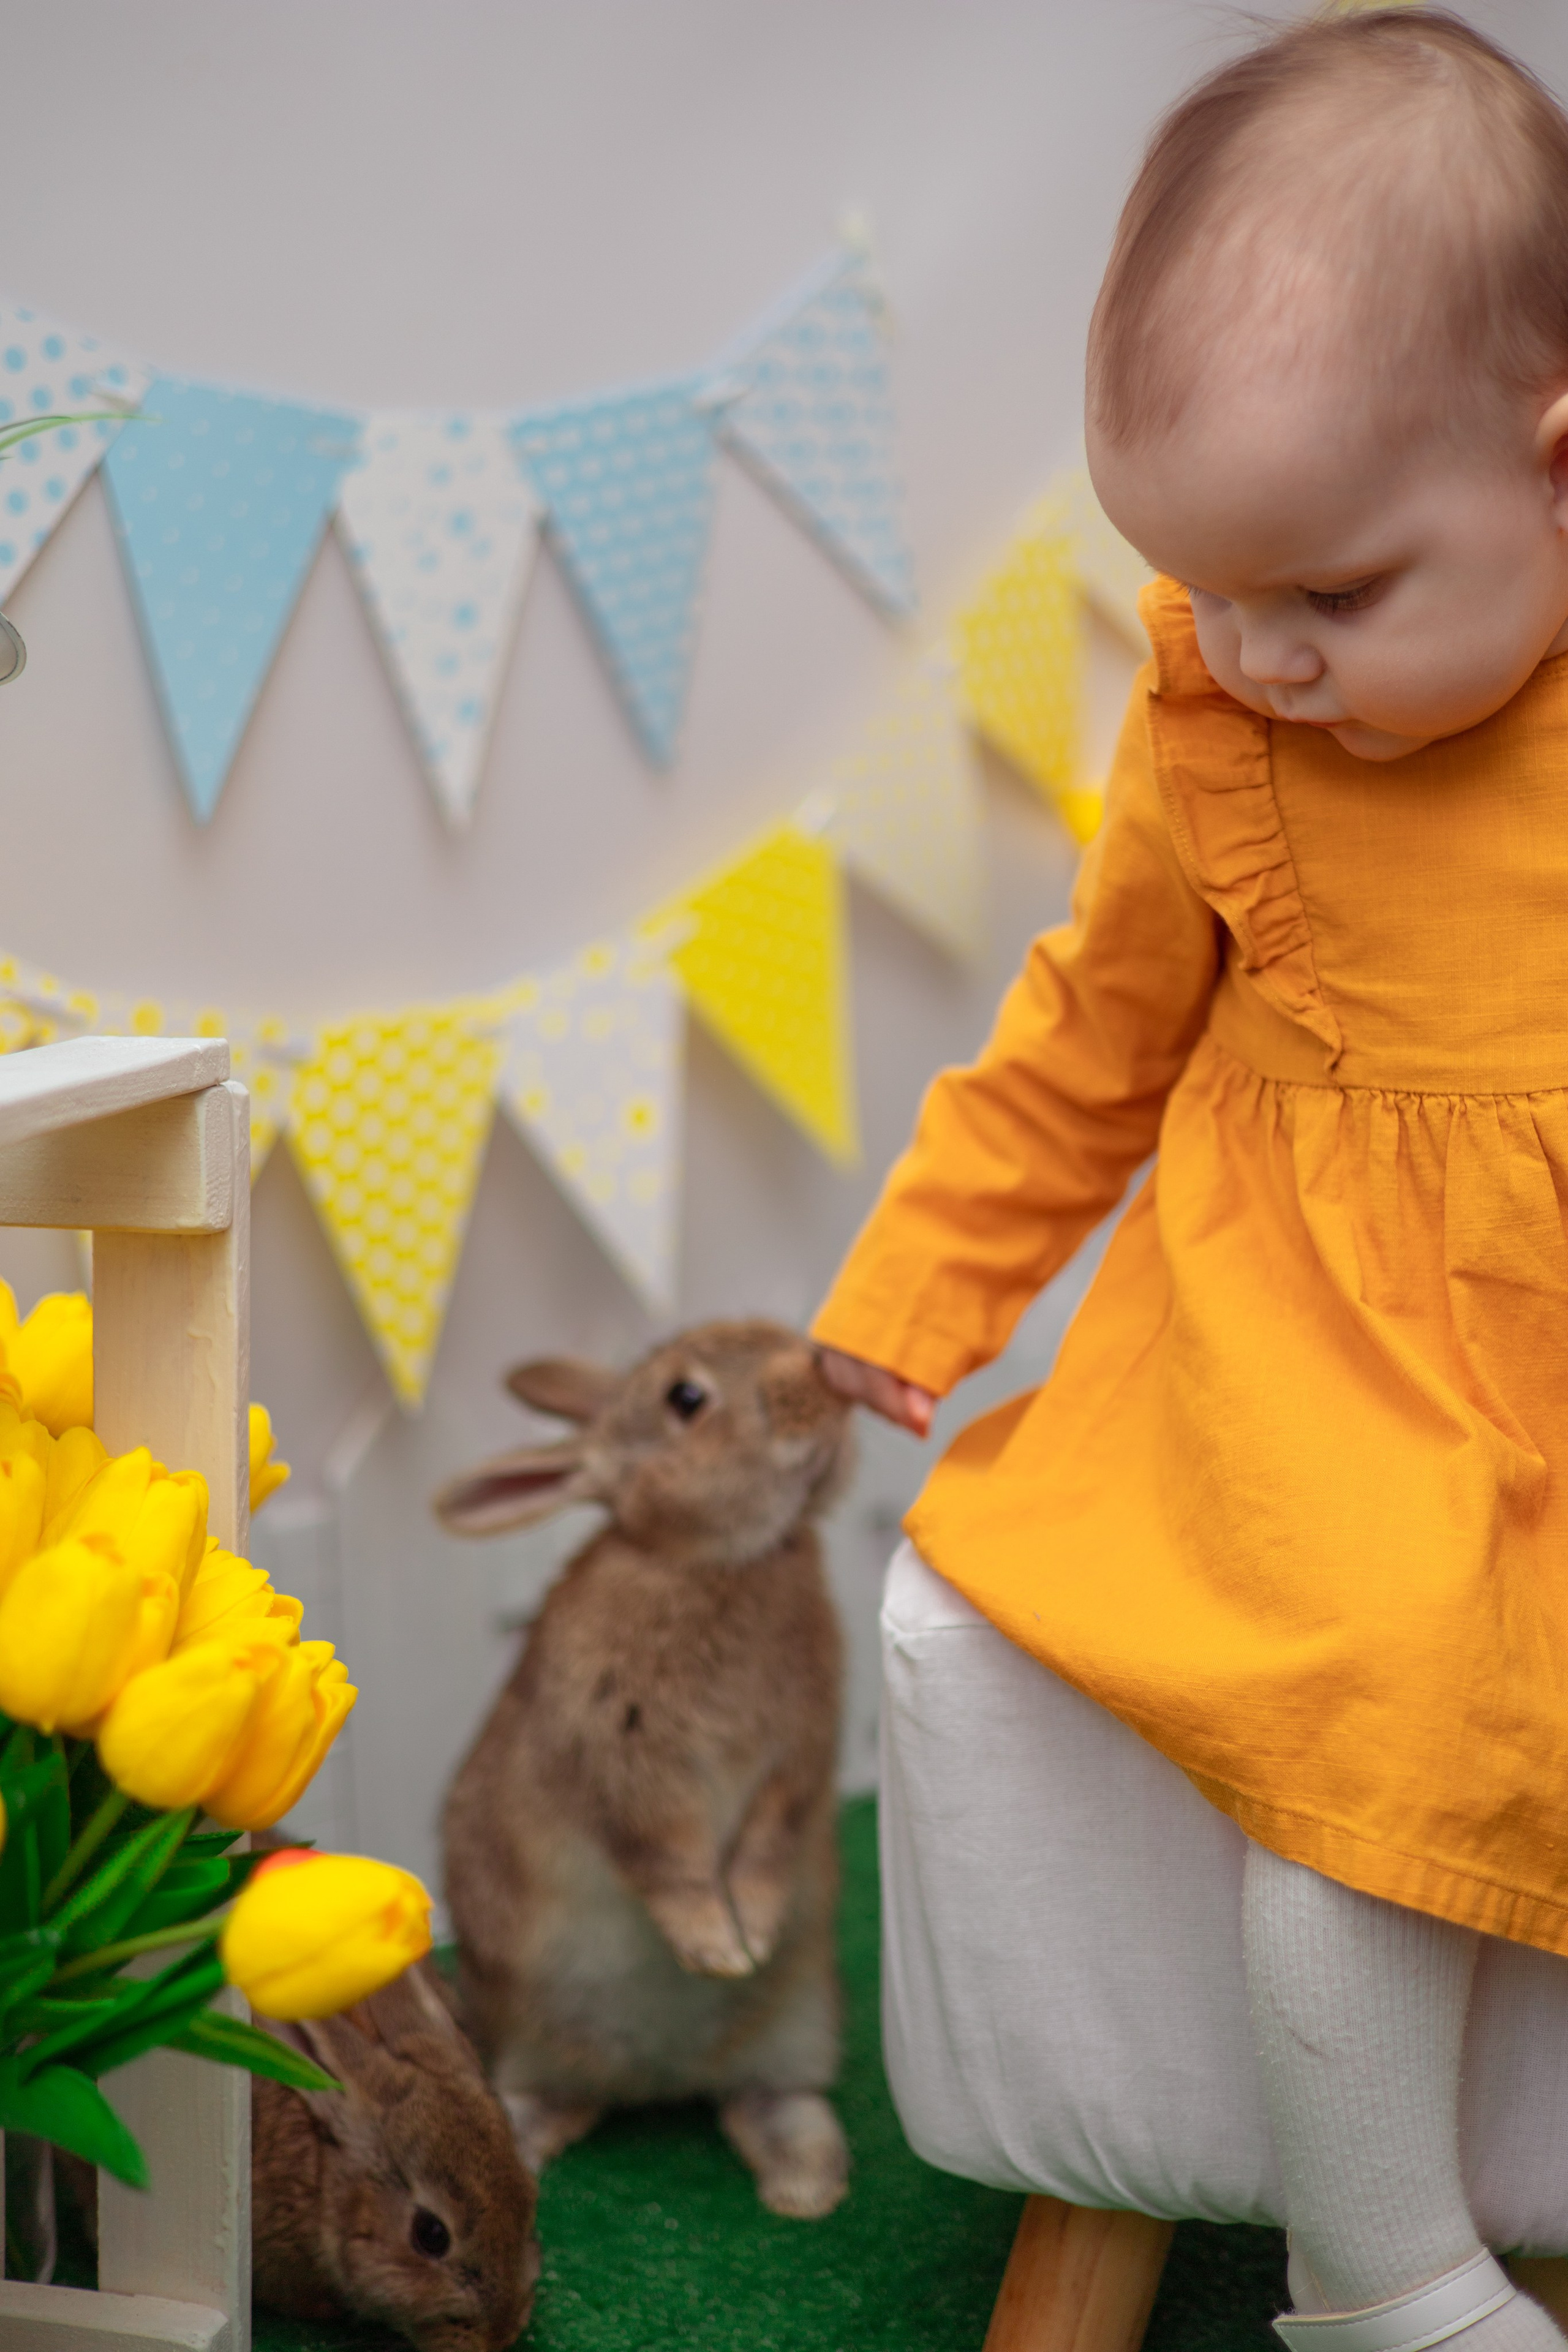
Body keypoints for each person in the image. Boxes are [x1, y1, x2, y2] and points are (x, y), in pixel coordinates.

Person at [812, 12, 1568, 2345]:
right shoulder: (1223, 731)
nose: (1257, 656)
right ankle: (1374, 2257)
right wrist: (910, 1296)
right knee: (1386, 1657)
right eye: (1209, 592)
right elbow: (1086, 1041)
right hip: (1313, 1345)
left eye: (1331, 596)